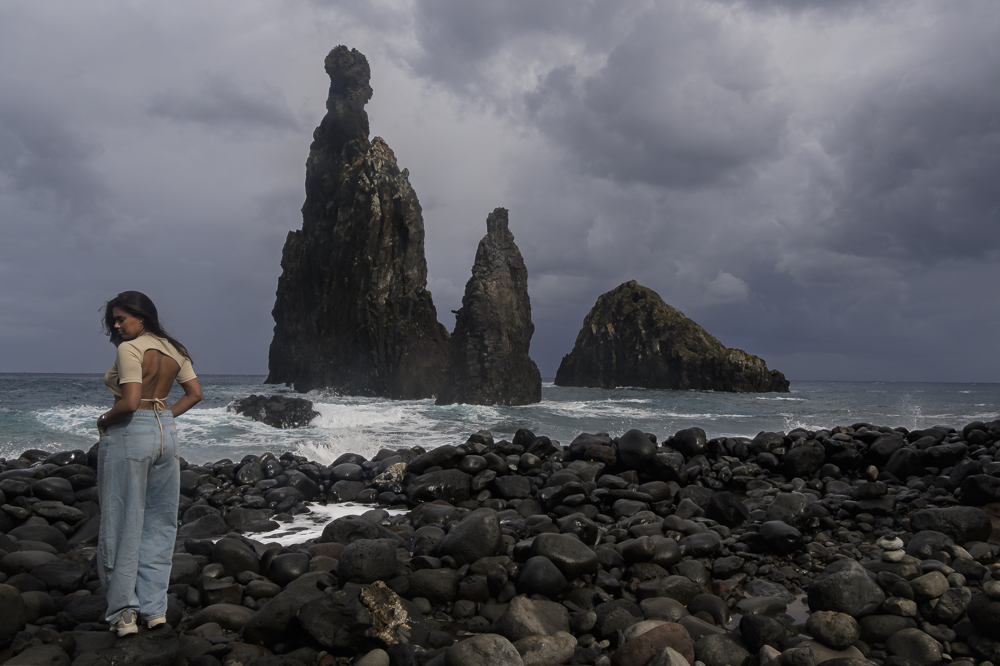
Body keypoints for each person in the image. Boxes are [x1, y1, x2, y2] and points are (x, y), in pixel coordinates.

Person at [96, 291, 202, 636]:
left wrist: (104, 418)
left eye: (121, 318)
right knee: (159, 522)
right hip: (165, 433)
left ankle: (124, 612)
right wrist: (164, 418)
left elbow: (128, 402)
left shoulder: (130, 348)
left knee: (121, 521)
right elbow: (195, 394)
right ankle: (156, 609)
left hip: (132, 432)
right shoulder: (176, 349)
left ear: (142, 317)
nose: (116, 324)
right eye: (114, 319)